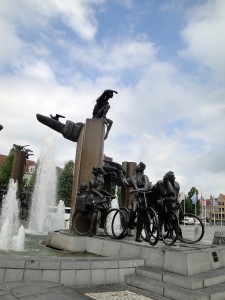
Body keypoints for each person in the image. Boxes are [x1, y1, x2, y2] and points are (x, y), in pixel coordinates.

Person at [127, 162, 152, 242]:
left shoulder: (145, 177)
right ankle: (129, 223)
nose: (136, 167)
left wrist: (135, 190)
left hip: (144, 199)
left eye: (138, 166)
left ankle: (142, 236)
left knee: (143, 219)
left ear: (141, 168)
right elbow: (125, 182)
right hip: (137, 199)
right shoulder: (133, 177)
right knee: (133, 210)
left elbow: (146, 188)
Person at [88, 166, 115, 236]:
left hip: (100, 198)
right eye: (94, 170)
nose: (94, 171)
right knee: (95, 212)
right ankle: (90, 230)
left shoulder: (101, 179)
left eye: (95, 170)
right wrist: (99, 194)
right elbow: (92, 190)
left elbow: (101, 189)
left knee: (106, 210)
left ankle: (102, 225)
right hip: (93, 197)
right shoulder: (92, 180)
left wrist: (109, 194)